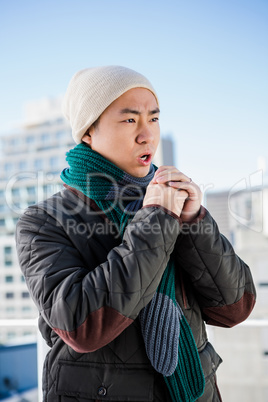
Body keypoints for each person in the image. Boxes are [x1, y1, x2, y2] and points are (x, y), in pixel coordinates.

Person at [16, 66, 256, 402]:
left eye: (154, 118)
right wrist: (157, 219)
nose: (147, 135)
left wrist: (193, 221)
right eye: (130, 120)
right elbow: (82, 326)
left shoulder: (175, 204)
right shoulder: (44, 220)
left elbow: (236, 307)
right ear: (88, 132)